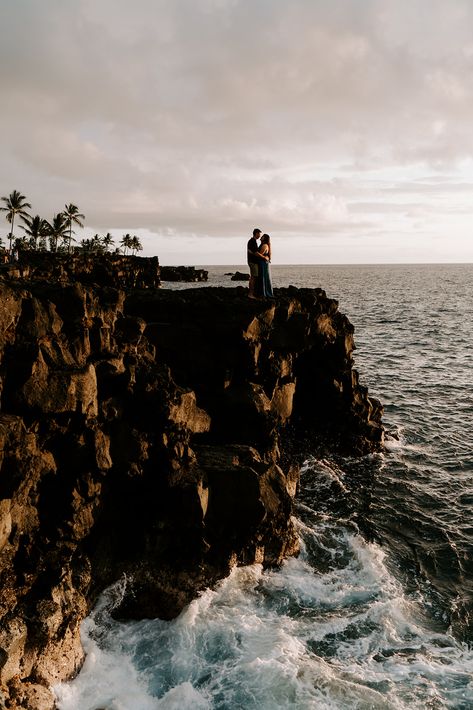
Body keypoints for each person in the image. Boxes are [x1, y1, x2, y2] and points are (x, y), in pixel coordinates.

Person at [247, 228, 262, 299]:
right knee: (253, 278)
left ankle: (251, 293)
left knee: (253, 277)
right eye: (259, 234)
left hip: (252, 261)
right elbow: (256, 253)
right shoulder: (252, 241)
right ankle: (250, 294)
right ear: (256, 233)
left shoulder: (253, 241)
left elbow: (253, 252)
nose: (259, 235)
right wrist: (264, 257)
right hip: (253, 262)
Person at [258, 233, 274, 299]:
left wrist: (252, 252)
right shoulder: (263, 245)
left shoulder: (264, 245)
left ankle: (265, 293)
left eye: (263, 236)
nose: (261, 237)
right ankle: (265, 292)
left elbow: (259, 255)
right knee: (264, 277)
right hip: (264, 263)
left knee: (264, 277)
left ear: (265, 238)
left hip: (263, 263)